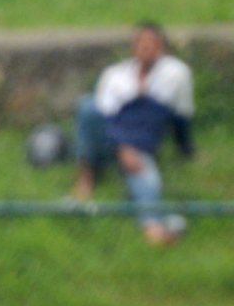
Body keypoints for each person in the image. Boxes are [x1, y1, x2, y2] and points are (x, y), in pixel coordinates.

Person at [71, 21, 195, 245]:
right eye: (139, 43)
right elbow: (105, 116)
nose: (145, 47)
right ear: (132, 47)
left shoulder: (176, 74)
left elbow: (181, 116)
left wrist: (186, 150)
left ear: (163, 48)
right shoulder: (114, 75)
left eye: (151, 43)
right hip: (111, 139)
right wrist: (122, 146)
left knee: (146, 177)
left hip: (141, 142)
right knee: (88, 107)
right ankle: (86, 176)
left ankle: (152, 227)